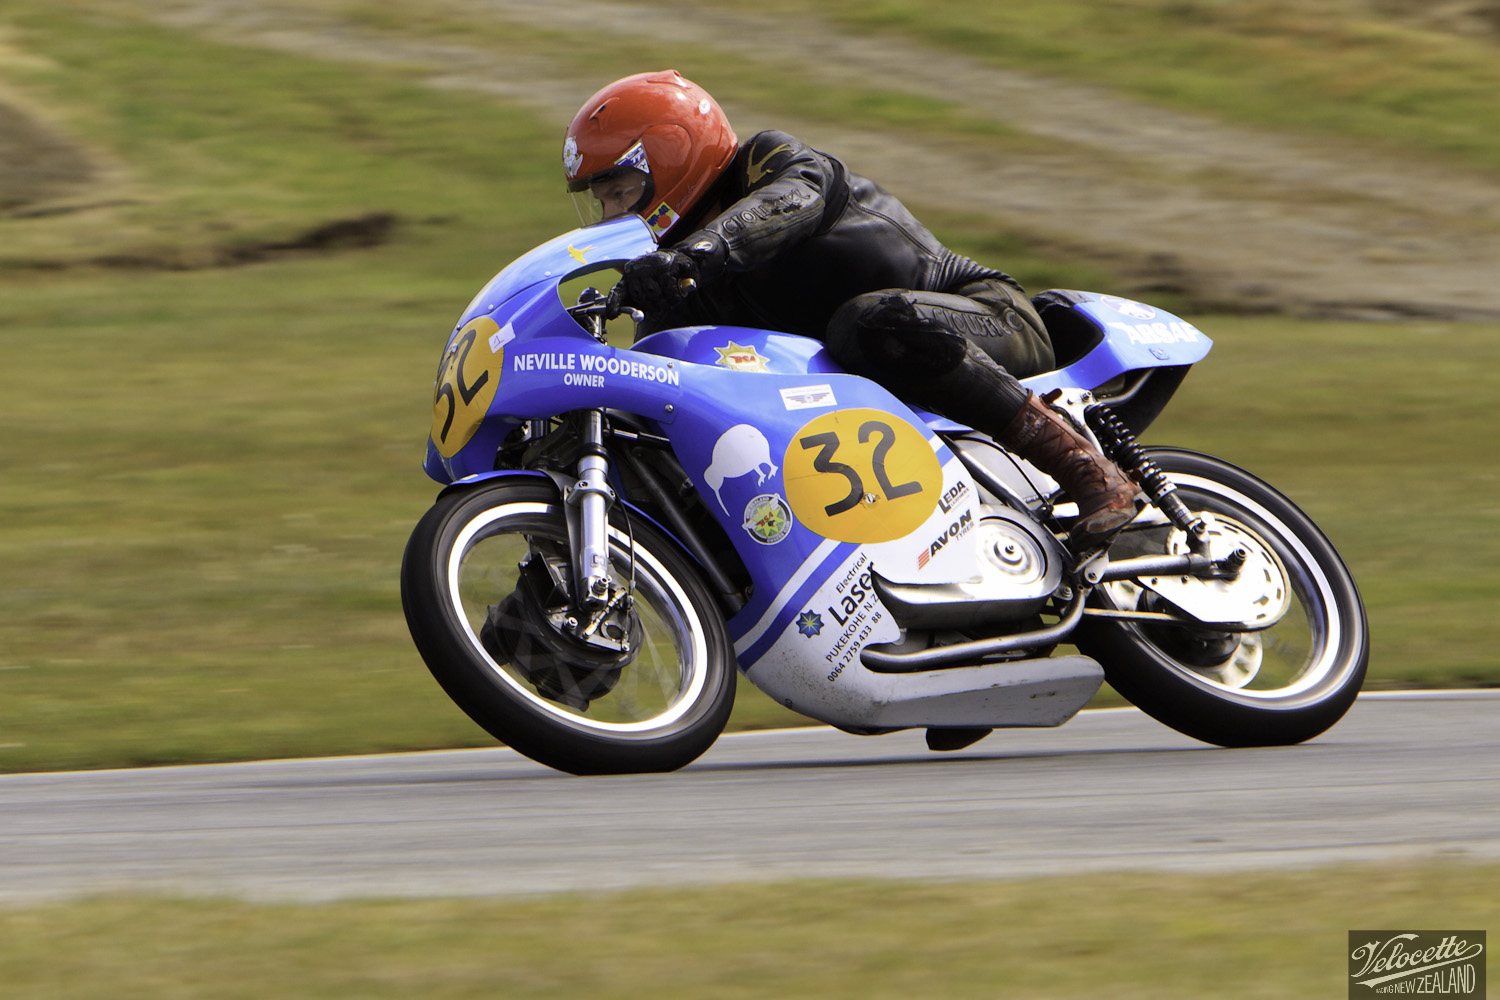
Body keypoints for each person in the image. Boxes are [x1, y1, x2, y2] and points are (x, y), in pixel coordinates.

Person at [562, 70, 1140, 551]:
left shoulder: (767, 163)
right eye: (601, 201)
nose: (613, 214)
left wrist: (700, 253)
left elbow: (798, 197)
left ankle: (1087, 470)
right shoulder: (682, 285)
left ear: (671, 154)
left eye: (620, 190)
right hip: (878, 402)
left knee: (867, 322)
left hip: (985, 317)